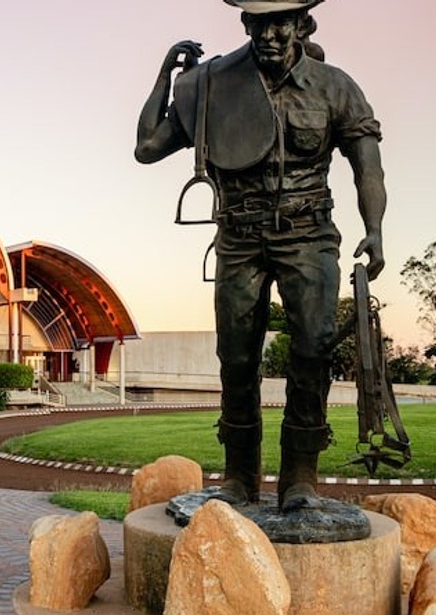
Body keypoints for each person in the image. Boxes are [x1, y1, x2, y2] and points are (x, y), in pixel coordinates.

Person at [134, 0, 386, 512]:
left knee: (313, 347)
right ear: (245, 24)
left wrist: (375, 228)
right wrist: (166, 76)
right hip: (239, 236)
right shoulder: (211, 86)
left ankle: (300, 478)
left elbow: (368, 168)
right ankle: (239, 477)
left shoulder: (334, 86)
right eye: (258, 23)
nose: (269, 34)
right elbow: (147, 147)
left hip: (308, 232)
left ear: (299, 25)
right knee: (238, 357)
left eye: (279, 23)